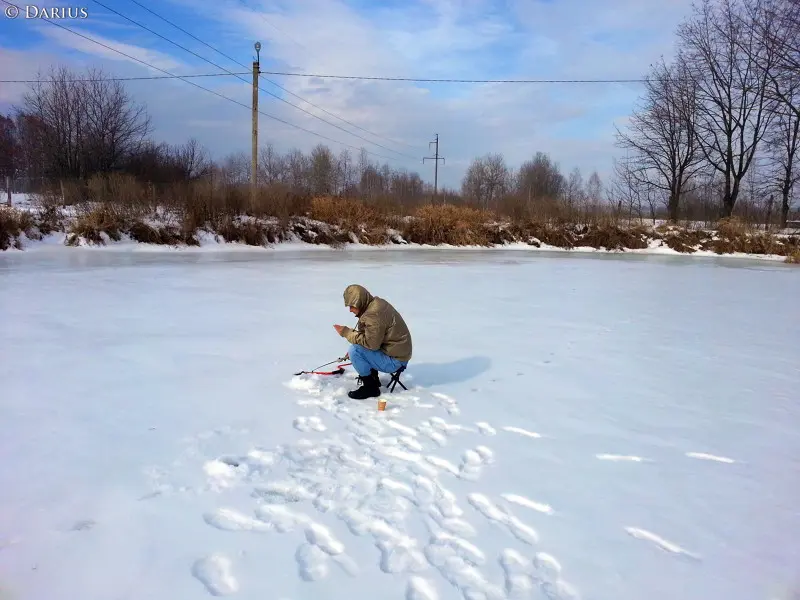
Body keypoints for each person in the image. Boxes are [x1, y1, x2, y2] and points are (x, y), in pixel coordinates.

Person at [333, 284, 412, 399]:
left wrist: (346, 332)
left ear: (359, 302)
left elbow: (371, 345)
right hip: (398, 354)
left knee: (354, 350)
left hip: (395, 361)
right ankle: (374, 379)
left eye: (352, 306)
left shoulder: (373, 315)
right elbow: (371, 337)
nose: (350, 310)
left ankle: (371, 388)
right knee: (357, 349)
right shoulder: (375, 305)